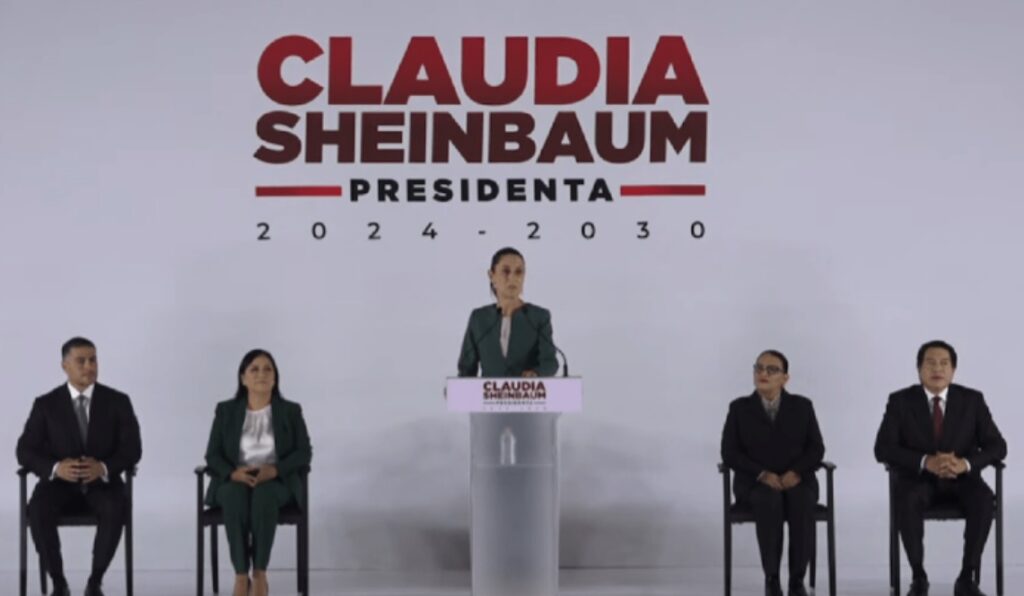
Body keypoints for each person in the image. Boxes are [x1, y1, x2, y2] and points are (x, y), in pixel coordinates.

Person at [874, 340, 1006, 596]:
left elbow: (998, 446)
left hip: (963, 480)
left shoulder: (972, 400)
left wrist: (965, 464)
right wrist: (926, 461)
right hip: (918, 479)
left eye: (944, 363)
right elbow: (883, 448)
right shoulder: (900, 401)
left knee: (983, 500)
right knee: (907, 500)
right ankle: (918, 577)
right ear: (919, 369)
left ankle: (966, 578)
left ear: (953, 370)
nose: (937, 369)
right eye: (930, 363)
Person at [16, 337, 142, 596]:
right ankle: (58, 583)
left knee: (115, 507)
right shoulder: (46, 404)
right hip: (58, 484)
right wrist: (55, 468)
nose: (89, 367)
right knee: (38, 510)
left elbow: (133, 449)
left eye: (93, 360)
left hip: (102, 484)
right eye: (81, 361)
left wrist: (104, 467)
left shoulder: (118, 401)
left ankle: (95, 582)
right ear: (65, 366)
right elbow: (24, 450)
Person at [204, 349, 312, 596]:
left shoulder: (291, 411)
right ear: (243, 378)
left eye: (267, 369)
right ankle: (241, 576)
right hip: (235, 478)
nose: (261, 374)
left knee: (264, 495)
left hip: (276, 480)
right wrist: (232, 473)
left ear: (275, 378)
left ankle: (260, 573)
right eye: (254, 369)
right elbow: (212, 455)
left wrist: (274, 470)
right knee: (233, 494)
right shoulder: (226, 411)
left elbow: (304, 452)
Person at [721, 350, 824, 596]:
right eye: (758, 368)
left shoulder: (802, 406)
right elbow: (729, 452)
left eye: (771, 369)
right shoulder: (739, 408)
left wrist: (796, 472)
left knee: (801, 500)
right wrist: (761, 474)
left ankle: (797, 580)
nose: (763, 373)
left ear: (785, 378)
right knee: (768, 499)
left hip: (797, 480)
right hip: (755, 483)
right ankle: (772, 578)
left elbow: (816, 448)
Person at [457, 246, 559, 378]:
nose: (512, 278)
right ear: (491, 275)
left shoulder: (538, 317)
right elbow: (466, 369)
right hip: (488, 392)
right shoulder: (479, 318)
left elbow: (550, 363)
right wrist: (457, 388)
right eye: (506, 271)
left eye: (519, 272)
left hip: (528, 391)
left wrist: (535, 374)